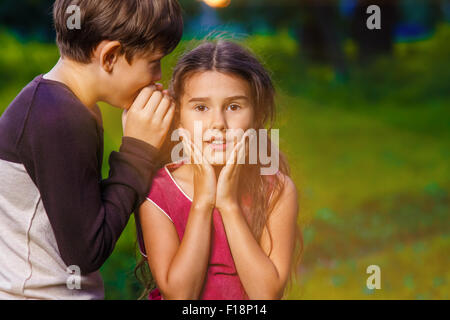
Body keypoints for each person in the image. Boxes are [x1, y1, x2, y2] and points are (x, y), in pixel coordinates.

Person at [0, 0, 183, 299]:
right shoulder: (59, 118)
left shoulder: (59, 103)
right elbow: (86, 251)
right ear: (110, 56)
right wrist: (137, 153)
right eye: (154, 62)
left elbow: (82, 209)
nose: (159, 76)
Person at [136, 40, 302, 300]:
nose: (218, 123)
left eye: (234, 107)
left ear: (256, 115)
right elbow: (180, 296)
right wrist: (203, 202)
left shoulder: (277, 190)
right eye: (201, 108)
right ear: (179, 115)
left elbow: (266, 296)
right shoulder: (156, 191)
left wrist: (228, 204)